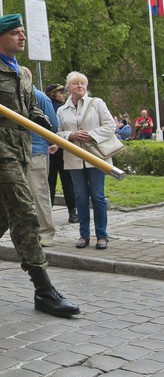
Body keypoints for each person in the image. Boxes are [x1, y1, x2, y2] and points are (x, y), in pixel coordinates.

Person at [0, 14, 79, 318]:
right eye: (15, 34)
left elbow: (27, 106)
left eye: (22, 33)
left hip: (20, 150)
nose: (21, 37)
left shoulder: (23, 72)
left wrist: (38, 116)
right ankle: (43, 288)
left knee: (1, 213)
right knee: (24, 211)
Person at [56, 71, 115, 250]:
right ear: (69, 88)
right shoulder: (61, 110)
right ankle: (84, 235)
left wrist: (91, 135)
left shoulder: (97, 103)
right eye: (76, 83)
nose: (80, 86)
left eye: (83, 83)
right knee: (80, 197)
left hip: (96, 157)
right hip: (74, 158)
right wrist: (71, 135)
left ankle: (102, 235)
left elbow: (110, 126)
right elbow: (57, 133)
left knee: (97, 196)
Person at [22, 67, 58, 247]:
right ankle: (29, 232)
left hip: (36, 151)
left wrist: (50, 143)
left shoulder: (40, 98)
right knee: (23, 196)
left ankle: (46, 233)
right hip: (18, 152)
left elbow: (52, 124)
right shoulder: (15, 97)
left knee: (39, 193)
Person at [45, 83, 77, 223]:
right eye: (61, 93)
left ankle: (47, 214)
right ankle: (73, 212)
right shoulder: (63, 109)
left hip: (49, 148)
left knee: (49, 182)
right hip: (61, 148)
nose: (64, 95)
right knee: (67, 182)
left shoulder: (45, 106)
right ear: (53, 94)